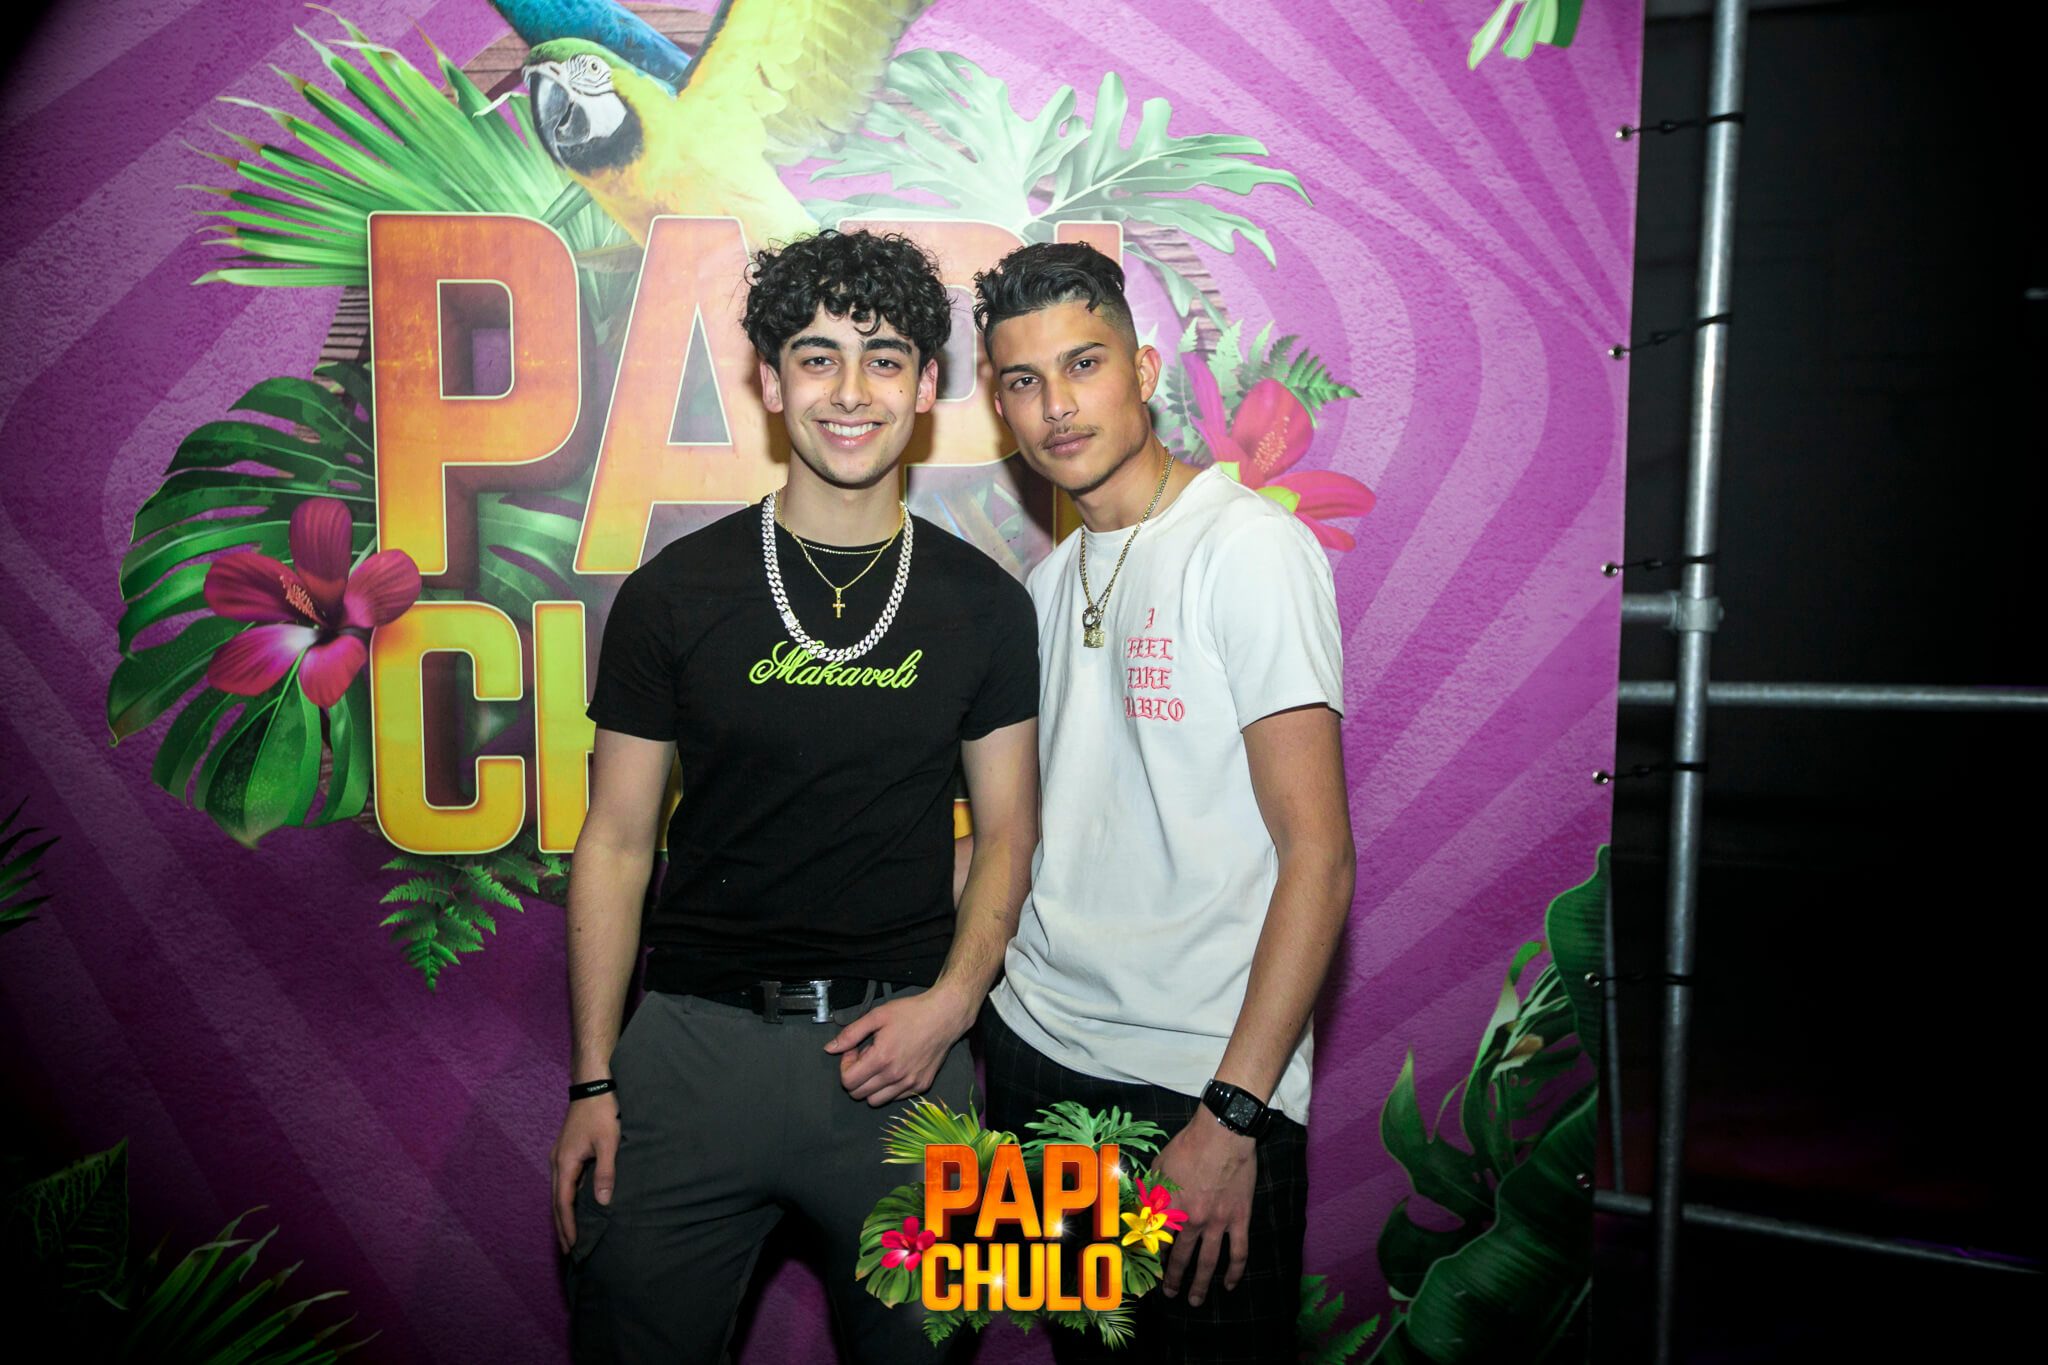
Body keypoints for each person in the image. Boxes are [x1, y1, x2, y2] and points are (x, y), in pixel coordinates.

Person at [550, 229, 1040, 1364]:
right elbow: (615, 843)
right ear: (772, 385)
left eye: (883, 358)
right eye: (817, 358)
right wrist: (591, 1076)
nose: (850, 390)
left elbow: (1011, 831)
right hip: (690, 1054)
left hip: (905, 1055)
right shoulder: (672, 596)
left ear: (924, 386)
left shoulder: (984, 606)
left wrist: (951, 1006)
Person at [974, 242, 1355, 1363]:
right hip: (1035, 1056)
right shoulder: (1046, 583)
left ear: (1142, 369)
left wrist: (1232, 1114)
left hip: (1194, 1088)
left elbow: (1319, 856)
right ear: (1001, 405)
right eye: (1024, 380)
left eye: (1083, 364)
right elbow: (1038, 837)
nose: (1057, 405)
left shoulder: (1250, 548)